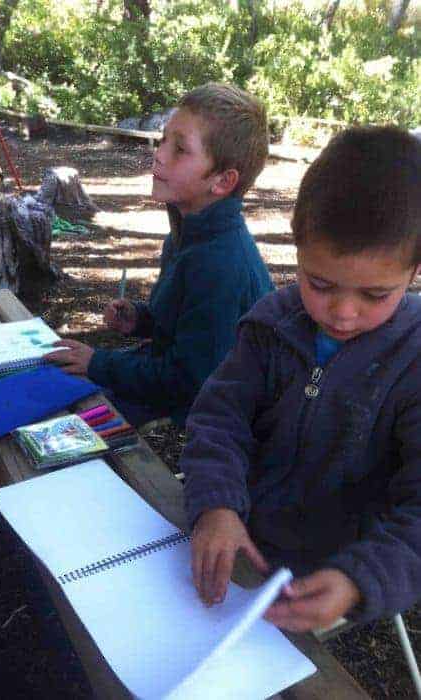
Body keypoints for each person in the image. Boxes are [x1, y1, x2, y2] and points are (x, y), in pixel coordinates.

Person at [180, 125, 421, 632]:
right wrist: (217, 505)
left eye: (375, 294)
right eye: (321, 283)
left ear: (414, 270)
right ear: (298, 247)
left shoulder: (413, 359)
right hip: (239, 537)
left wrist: (360, 578)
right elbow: (218, 419)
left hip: (338, 565)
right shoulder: (272, 325)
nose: (344, 312)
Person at [45, 83, 274, 427]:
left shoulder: (220, 264)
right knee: (47, 390)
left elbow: (189, 380)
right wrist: (141, 319)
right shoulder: (188, 234)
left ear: (223, 182)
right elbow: (189, 328)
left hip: (226, 427)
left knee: (57, 421)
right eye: (164, 139)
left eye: (180, 149)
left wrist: (99, 364)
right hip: (175, 385)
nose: (160, 154)